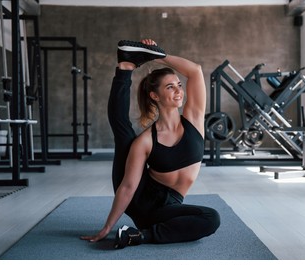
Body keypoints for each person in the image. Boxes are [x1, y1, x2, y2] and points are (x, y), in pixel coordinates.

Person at [81, 39, 220, 249]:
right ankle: (125, 66)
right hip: (141, 203)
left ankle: (139, 236)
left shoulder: (194, 118)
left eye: (179, 85)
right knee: (123, 134)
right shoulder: (145, 141)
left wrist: (155, 55)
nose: (178, 91)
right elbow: (127, 187)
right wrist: (107, 227)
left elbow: (195, 71)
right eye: (170, 87)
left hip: (170, 206)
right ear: (155, 96)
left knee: (211, 218)